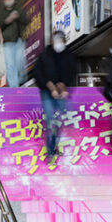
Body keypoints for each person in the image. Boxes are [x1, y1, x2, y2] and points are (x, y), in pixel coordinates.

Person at [32, 30, 76, 163]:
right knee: (50, 121)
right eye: (56, 39)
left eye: (60, 40)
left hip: (62, 94)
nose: (58, 42)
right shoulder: (44, 56)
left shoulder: (69, 56)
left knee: (59, 123)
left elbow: (72, 73)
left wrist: (64, 86)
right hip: (47, 93)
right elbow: (37, 73)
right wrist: (49, 85)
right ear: (51, 41)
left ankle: (55, 146)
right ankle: (50, 152)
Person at [0, 0, 28, 88]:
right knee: (10, 66)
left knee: (20, 63)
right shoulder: (1, 13)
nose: (10, 0)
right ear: (4, 0)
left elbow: (26, 20)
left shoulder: (18, 9)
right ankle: (14, 87)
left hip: (19, 41)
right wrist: (7, 20)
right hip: (7, 43)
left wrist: (17, 15)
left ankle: (20, 80)